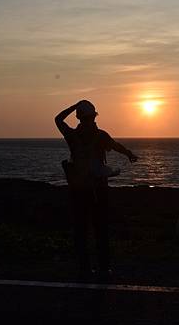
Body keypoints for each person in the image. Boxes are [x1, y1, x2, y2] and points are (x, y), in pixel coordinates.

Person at [55, 100, 138, 279]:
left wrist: (74, 106)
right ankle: (104, 267)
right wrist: (129, 154)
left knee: (81, 228)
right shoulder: (100, 136)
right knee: (101, 227)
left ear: (78, 117)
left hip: (78, 188)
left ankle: (84, 267)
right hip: (98, 188)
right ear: (94, 116)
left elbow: (58, 119)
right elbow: (115, 146)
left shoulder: (71, 135)